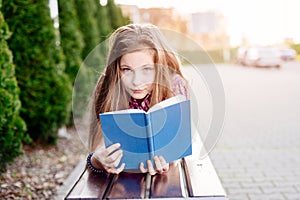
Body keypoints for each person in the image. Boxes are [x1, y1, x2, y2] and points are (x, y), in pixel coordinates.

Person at [87, 23, 189, 176]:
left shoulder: (174, 86)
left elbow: (180, 149)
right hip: (121, 180)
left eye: (146, 69)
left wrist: (169, 161)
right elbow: (97, 149)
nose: (136, 81)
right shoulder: (108, 86)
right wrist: (97, 160)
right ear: (117, 69)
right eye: (127, 70)